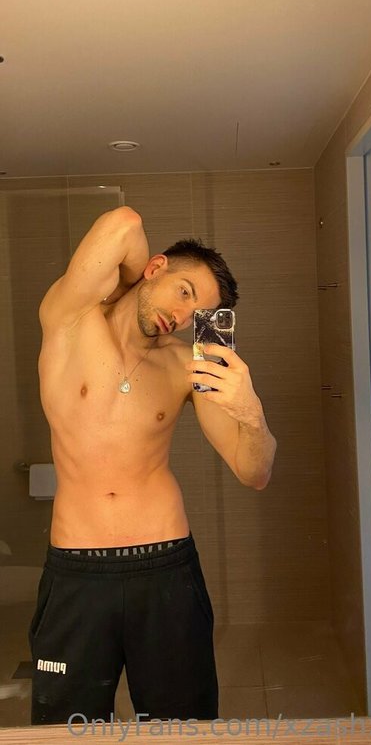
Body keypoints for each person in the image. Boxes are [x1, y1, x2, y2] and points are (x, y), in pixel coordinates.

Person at [29, 205, 277, 725]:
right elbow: (123, 222)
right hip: (76, 572)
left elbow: (253, 472)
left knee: (183, 727)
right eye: (184, 292)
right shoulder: (69, 317)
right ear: (155, 266)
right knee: (63, 729)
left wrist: (251, 413)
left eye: (197, 314)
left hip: (165, 567)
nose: (182, 317)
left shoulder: (187, 366)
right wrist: (129, 289)